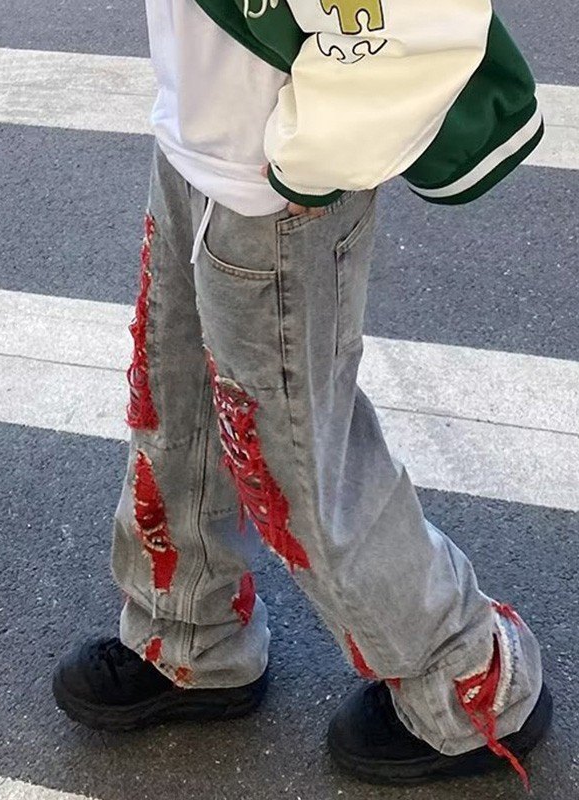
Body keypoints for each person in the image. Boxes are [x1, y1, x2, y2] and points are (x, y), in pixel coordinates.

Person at [53, 0, 552, 788]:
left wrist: (311, 160)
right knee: (177, 403)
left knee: (300, 464)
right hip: (201, 136)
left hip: (280, 180)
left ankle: (468, 682)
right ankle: (189, 637)